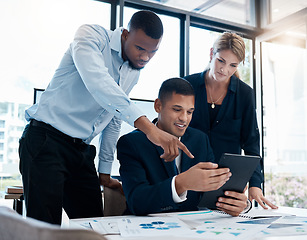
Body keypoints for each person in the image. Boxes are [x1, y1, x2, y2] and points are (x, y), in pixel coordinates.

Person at [19, 10, 193, 225]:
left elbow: (113, 117)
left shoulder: (133, 70)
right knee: (44, 228)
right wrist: (151, 129)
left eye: (152, 52)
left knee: (94, 225)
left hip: (81, 150)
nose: (145, 57)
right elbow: (98, 83)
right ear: (126, 34)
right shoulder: (90, 37)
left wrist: (104, 171)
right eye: (140, 48)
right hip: (46, 140)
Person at [118, 77, 249, 216]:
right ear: (158, 106)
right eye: (177, 109)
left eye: (189, 112)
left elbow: (211, 195)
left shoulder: (200, 140)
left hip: (191, 230)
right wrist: (180, 184)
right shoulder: (132, 143)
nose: (184, 118)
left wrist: (235, 203)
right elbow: (137, 202)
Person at [183, 32, 277, 209]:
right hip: (188, 176)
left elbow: (251, 143)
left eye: (233, 65)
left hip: (225, 184)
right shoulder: (187, 86)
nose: (224, 70)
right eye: (221, 61)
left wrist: (255, 185)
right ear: (211, 54)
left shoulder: (244, 94)